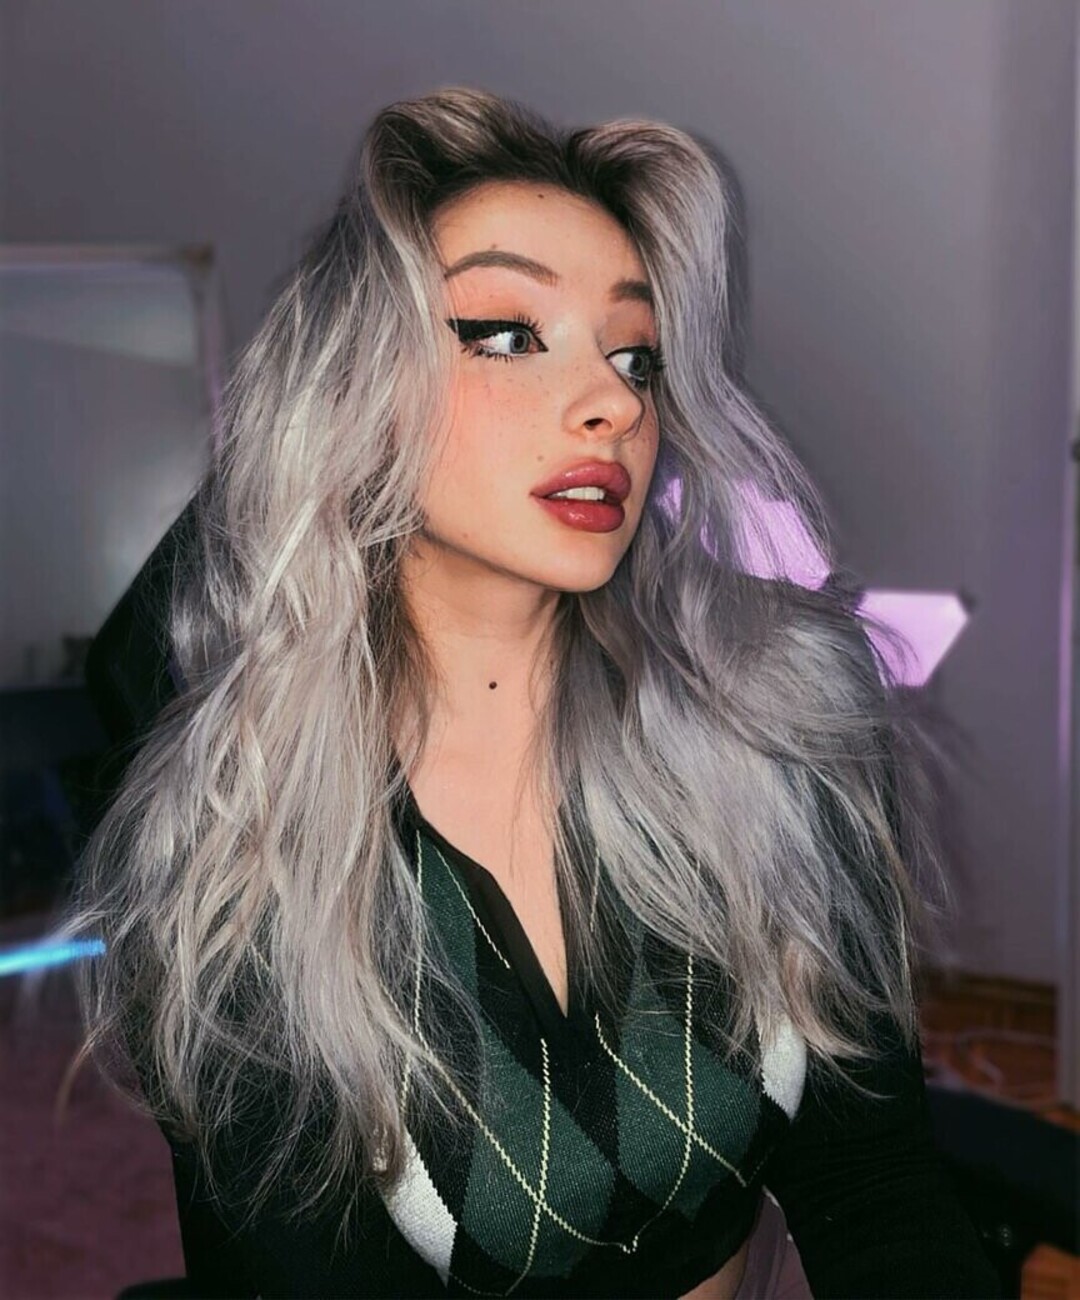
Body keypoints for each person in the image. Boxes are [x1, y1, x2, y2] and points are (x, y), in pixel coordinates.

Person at [56, 87, 1000, 1298]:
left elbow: (873, 1183)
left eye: (635, 353)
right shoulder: (237, 851)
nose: (616, 402)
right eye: (507, 333)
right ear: (352, 390)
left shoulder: (781, 723)